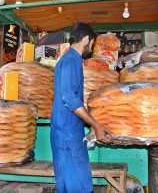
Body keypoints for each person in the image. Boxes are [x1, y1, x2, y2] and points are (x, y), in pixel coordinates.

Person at [50, 22, 112, 193]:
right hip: (67, 134)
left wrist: (88, 125)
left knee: (67, 183)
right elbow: (70, 99)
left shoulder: (70, 59)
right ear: (85, 39)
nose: (91, 49)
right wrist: (96, 125)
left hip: (67, 130)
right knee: (77, 184)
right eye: (92, 44)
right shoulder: (71, 60)